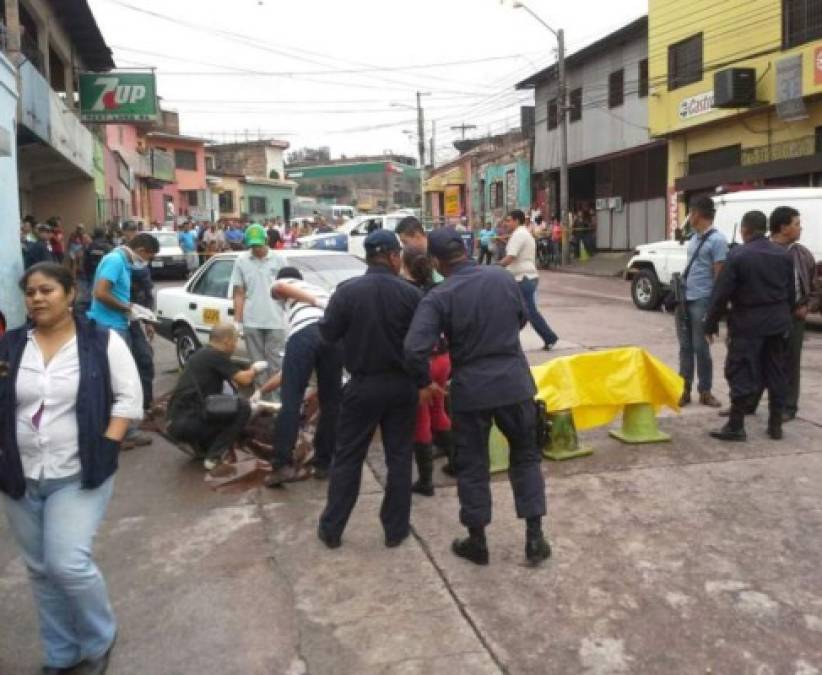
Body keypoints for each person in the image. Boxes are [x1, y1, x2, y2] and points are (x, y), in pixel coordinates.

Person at [1, 262, 143, 674]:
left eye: (47, 290)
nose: (37, 298)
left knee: (66, 563)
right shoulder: (11, 346)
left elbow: (128, 400)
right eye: (30, 292)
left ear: (70, 294)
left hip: (79, 472)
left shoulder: (101, 341)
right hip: (19, 473)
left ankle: (99, 638)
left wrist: (106, 444)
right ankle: (60, 654)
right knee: (40, 570)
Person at [404, 228, 550, 566]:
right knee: (526, 458)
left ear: (436, 262)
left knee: (473, 466)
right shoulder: (501, 277)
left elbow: (414, 348)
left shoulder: (440, 296)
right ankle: (534, 539)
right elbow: (521, 318)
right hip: (515, 384)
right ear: (466, 250)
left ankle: (477, 541)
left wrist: (424, 382)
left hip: (471, 389)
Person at [317, 229, 430, 550]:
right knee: (398, 458)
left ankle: (332, 528)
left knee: (348, 457)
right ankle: (395, 530)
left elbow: (327, 334)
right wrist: (422, 382)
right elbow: (420, 347)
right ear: (395, 257)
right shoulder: (411, 295)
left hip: (362, 385)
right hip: (401, 387)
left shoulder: (346, 293)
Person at [704, 211, 795, 442]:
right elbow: (791, 294)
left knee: (741, 370)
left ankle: (736, 425)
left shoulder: (738, 255)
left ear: (745, 230)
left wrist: (710, 323)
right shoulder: (783, 255)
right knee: (776, 371)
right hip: (778, 323)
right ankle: (775, 426)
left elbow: (721, 292)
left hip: (748, 324)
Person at [259, 267, 342, 485]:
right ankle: (324, 464)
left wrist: (315, 302)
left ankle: (281, 465)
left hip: (305, 333)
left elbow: (281, 287)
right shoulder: (322, 289)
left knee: (291, 401)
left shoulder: (286, 286)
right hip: (332, 337)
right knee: (331, 403)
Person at [87, 233, 159, 450]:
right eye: (149, 256)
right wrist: (127, 308)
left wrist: (134, 312)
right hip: (109, 326)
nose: (147, 262)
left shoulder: (124, 263)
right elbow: (100, 293)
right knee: (115, 381)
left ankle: (124, 430)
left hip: (119, 324)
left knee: (125, 377)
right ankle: (115, 434)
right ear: (142, 250)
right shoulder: (115, 260)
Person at [166, 323, 263, 470]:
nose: (235, 345)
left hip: (176, 420)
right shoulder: (215, 355)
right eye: (235, 341)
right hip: (187, 422)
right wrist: (255, 369)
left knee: (228, 403)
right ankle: (214, 457)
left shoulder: (202, 354)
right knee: (243, 408)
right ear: (227, 341)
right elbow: (245, 379)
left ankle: (203, 447)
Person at [402, 248, 452, 496]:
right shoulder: (439, 290)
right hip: (444, 358)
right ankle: (456, 463)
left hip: (424, 362)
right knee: (438, 409)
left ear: (405, 266)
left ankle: (425, 481)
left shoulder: (406, 294)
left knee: (420, 418)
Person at [676, 196, 727, 408]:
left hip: (702, 301)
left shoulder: (718, 240)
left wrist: (714, 310)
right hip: (685, 299)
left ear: (698, 214)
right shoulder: (695, 238)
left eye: (691, 213)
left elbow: (719, 276)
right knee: (685, 348)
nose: (689, 217)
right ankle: (684, 389)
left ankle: (705, 391)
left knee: (701, 348)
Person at [769, 206, 819, 422]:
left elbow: (816, 289)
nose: (801, 228)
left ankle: (788, 406)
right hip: (768, 316)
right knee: (762, 360)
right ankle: (747, 402)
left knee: (791, 362)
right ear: (783, 228)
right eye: (796, 224)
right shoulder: (764, 252)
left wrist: (808, 307)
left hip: (794, 317)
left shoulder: (802, 254)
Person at [231, 223, 286, 393]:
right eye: (252, 245)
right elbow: (239, 293)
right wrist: (237, 322)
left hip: (276, 320)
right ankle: (261, 401)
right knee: (257, 365)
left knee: (276, 364)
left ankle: (277, 403)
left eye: (259, 244)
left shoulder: (279, 260)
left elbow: (289, 289)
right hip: (252, 321)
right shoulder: (242, 261)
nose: (256, 248)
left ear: (266, 240)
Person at [498, 209, 559, 351]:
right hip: (524, 277)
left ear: (517, 221)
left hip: (523, 278)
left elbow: (510, 257)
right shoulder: (522, 233)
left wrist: (495, 267)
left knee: (528, 312)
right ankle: (507, 341)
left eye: (508, 220)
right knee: (516, 312)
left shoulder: (519, 234)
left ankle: (549, 337)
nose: (506, 223)